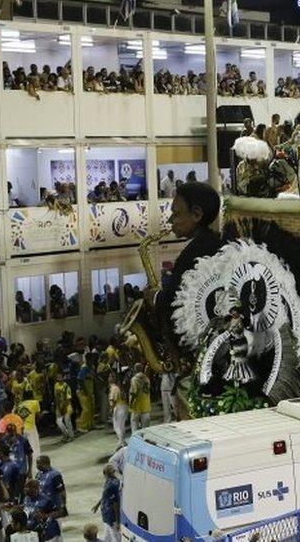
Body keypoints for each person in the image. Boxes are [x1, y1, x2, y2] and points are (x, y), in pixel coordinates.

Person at [146, 182, 223, 361]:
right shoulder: (214, 243)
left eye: (176, 213)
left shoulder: (196, 253)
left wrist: (156, 298)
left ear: (196, 214)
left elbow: (176, 300)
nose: (170, 220)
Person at [91, 464, 121, 542]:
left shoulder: (112, 485)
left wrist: (118, 522)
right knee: (107, 538)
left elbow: (115, 504)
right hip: (107, 516)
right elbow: (105, 496)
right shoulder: (111, 482)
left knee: (116, 539)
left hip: (112, 518)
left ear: (104, 473)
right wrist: (97, 505)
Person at [128, 364, 152, 432]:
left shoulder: (134, 379)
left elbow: (133, 393)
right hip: (146, 406)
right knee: (146, 429)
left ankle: (136, 441)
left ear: (135, 369)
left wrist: (130, 403)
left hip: (136, 407)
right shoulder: (147, 378)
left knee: (134, 426)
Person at [108, 372, 129, 448]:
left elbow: (113, 400)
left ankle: (122, 443)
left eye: (110, 376)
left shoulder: (114, 388)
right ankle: (122, 442)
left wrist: (111, 410)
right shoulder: (117, 387)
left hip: (119, 407)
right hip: (123, 406)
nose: (109, 378)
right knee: (121, 426)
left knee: (117, 427)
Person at [52, 372, 74, 442]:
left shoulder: (66, 386)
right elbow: (56, 397)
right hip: (59, 406)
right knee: (58, 422)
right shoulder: (55, 385)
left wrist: (63, 408)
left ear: (63, 377)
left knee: (67, 421)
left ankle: (71, 436)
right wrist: (56, 406)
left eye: (60, 377)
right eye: (58, 377)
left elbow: (68, 399)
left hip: (67, 406)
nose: (59, 378)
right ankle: (65, 434)